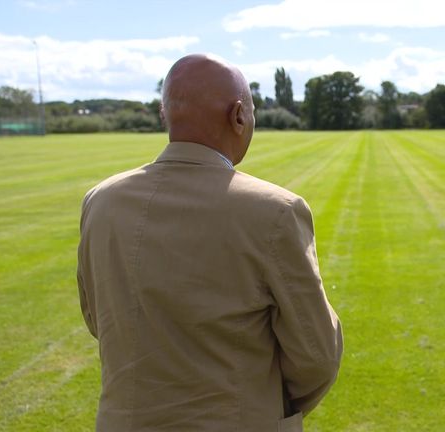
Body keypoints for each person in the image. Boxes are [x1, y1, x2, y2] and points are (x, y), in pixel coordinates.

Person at [76, 54, 342, 431]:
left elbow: (97, 318)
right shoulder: (275, 211)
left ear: (163, 113)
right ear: (238, 116)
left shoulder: (100, 201)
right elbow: (316, 355)